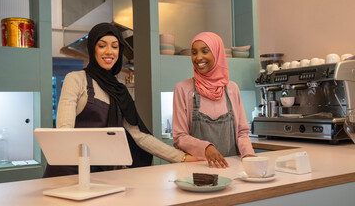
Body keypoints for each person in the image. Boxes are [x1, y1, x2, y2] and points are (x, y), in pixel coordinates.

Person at [44, 22, 196, 177]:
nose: (109, 52)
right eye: (102, 45)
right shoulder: (76, 80)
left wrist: (182, 157)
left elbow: (140, 136)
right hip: (69, 171)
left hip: (102, 175)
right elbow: (64, 131)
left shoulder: (120, 91)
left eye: (115, 46)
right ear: (92, 48)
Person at [172, 32, 255, 169]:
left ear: (217, 53)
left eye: (205, 51)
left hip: (230, 168)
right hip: (197, 169)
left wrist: (249, 156)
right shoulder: (182, 89)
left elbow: (242, 133)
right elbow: (180, 137)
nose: (198, 58)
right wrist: (206, 148)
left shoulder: (232, 89)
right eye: (194, 52)